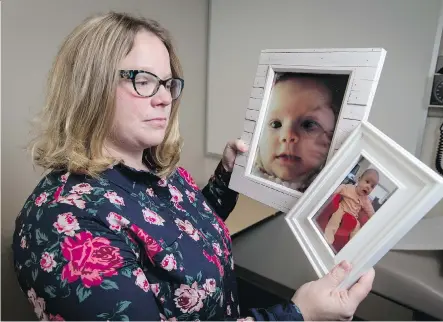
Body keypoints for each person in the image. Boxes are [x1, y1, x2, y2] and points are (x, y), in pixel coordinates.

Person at [11, 11, 374, 321]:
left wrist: (227, 179)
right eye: (144, 81)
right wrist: (298, 315)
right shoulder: (63, 223)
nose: (166, 98)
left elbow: (174, 237)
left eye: (168, 83)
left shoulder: (158, 172)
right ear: (90, 86)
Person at [253, 73, 342, 192]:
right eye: (275, 124)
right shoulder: (247, 170)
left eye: (308, 125)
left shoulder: (333, 189)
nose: (287, 136)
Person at [323, 169, 379, 252]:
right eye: (367, 182)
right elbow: (342, 187)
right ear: (359, 179)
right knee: (335, 217)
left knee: (357, 227)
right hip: (342, 209)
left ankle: (351, 247)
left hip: (353, 217)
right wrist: (334, 193)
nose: (368, 187)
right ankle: (328, 238)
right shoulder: (349, 188)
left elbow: (370, 211)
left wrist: (375, 220)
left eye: (372, 186)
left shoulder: (366, 200)